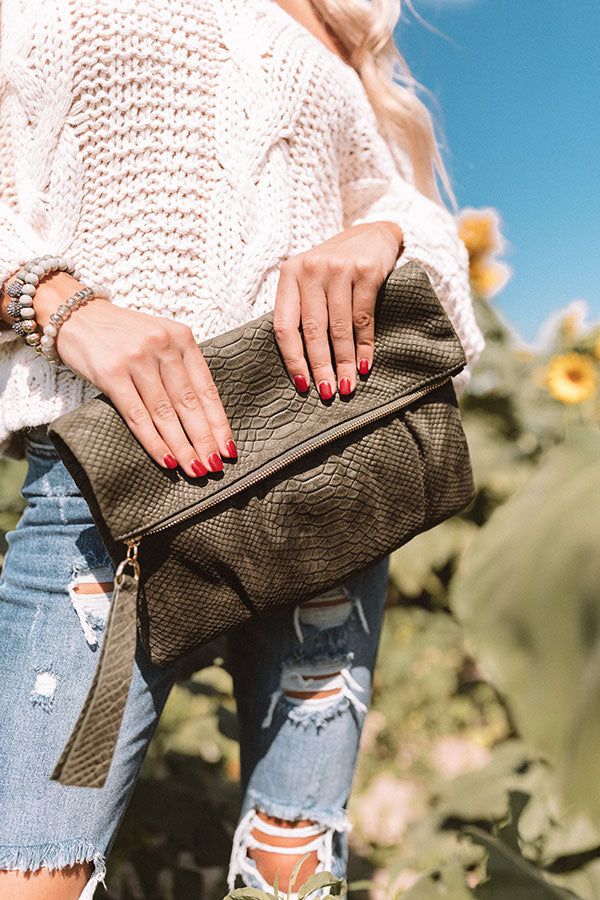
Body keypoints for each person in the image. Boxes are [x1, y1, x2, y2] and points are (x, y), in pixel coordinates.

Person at [0, 0, 485, 897]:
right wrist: (60, 302)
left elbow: (413, 218)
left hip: (326, 466)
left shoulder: (325, 16)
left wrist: (383, 235)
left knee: (289, 875)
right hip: (109, 487)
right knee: (31, 873)